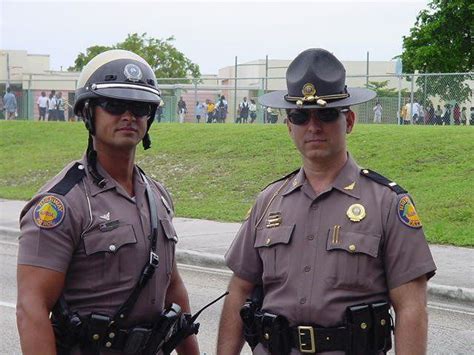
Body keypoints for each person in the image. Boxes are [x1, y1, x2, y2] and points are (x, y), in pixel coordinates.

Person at [217, 48, 436, 355]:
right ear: (288, 126)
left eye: (327, 113)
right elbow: (239, 291)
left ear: (349, 121)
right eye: (300, 115)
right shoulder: (269, 202)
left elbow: (411, 307)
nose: (313, 126)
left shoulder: (387, 202)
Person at [16, 50, 199, 355]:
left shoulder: (157, 195)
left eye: (140, 107)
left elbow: (173, 289)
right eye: (114, 105)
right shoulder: (62, 203)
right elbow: (31, 307)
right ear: (89, 112)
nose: (128, 116)